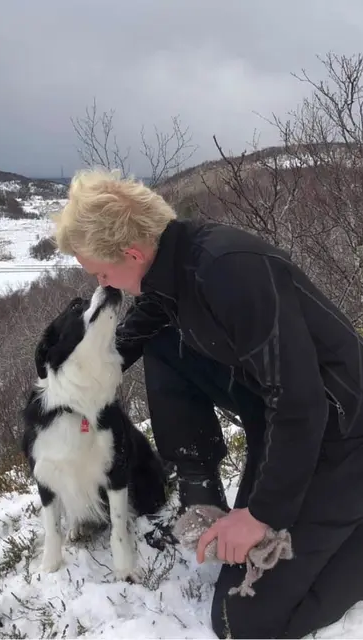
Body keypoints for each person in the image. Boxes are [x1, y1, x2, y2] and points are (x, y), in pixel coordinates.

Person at [54, 167, 363, 639]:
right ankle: (198, 483)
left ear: (132, 253)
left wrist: (261, 516)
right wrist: (79, 382)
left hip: (340, 435)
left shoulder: (228, 271)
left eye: (101, 272)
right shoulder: (174, 267)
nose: (104, 284)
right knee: (162, 341)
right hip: (282, 421)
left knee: (241, 622)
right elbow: (147, 323)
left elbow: (301, 405)